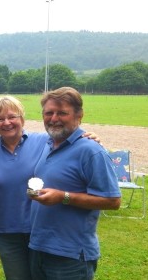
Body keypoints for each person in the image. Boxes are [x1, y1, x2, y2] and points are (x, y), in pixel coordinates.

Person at [0, 95, 103, 280]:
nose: (7, 122)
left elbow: (70, 140)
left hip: (41, 231)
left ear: (22, 119)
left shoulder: (45, 141)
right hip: (8, 231)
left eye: (12, 117)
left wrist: (90, 136)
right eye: (0, 118)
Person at [28, 87, 121, 280]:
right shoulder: (49, 144)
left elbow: (113, 201)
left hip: (70, 255)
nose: (54, 118)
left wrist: (64, 197)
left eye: (62, 113)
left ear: (79, 115)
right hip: (39, 247)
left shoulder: (91, 151)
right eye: (49, 113)